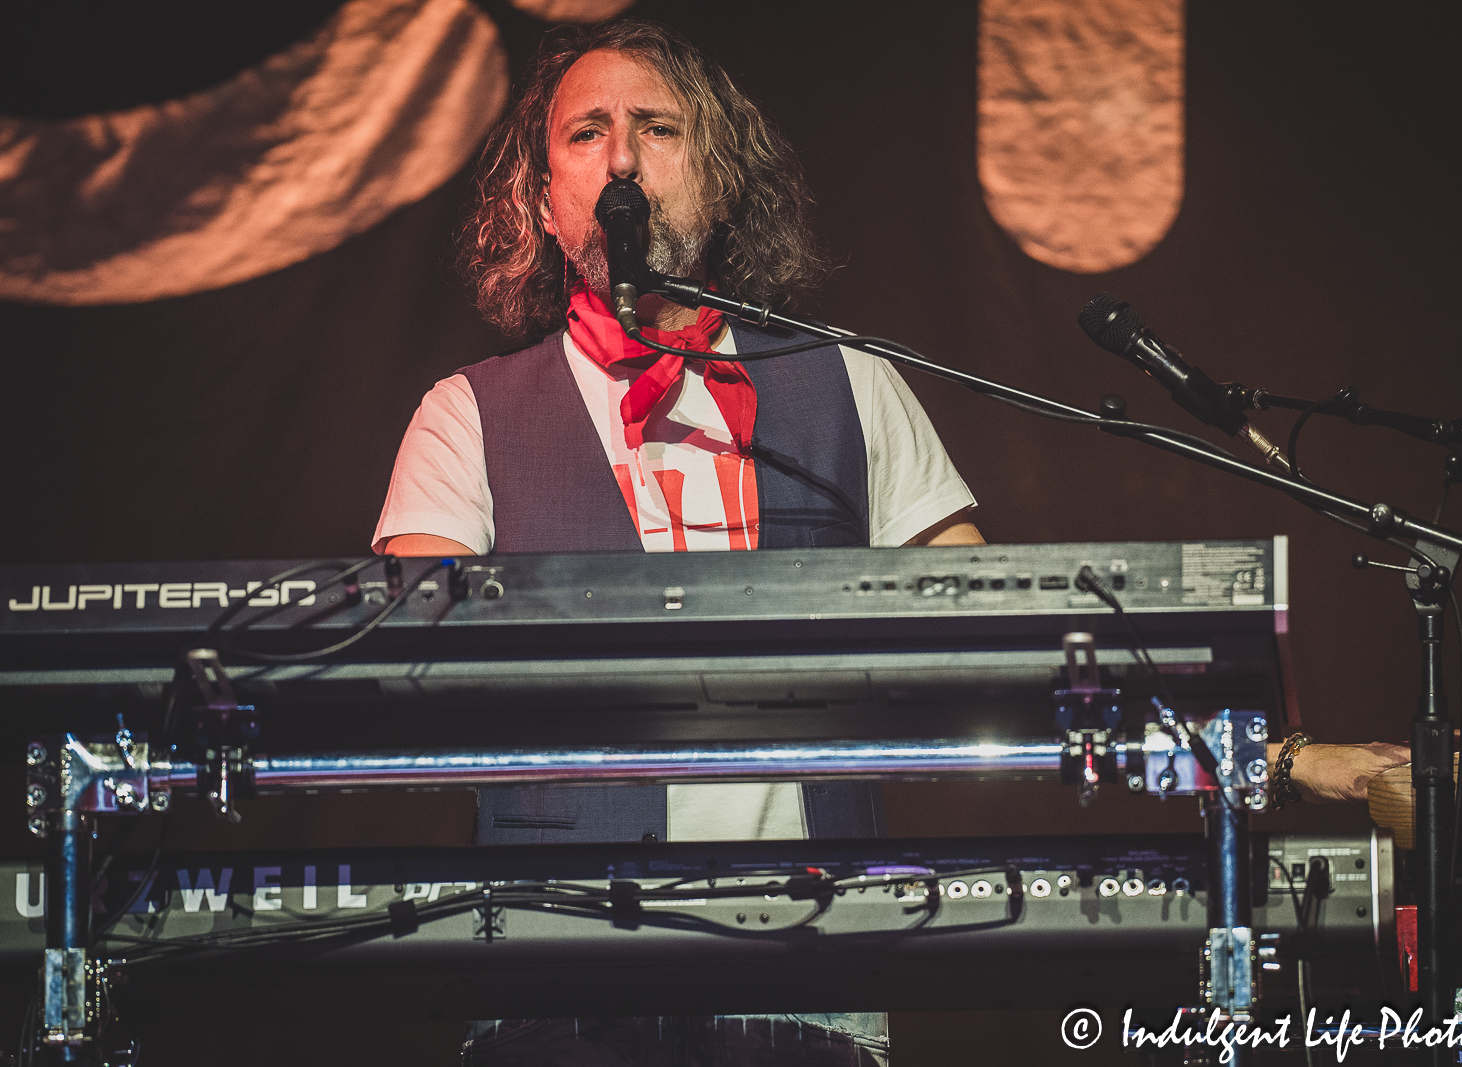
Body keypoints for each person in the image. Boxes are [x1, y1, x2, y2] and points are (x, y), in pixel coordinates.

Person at [374, 18, 1406, 1064]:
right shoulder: (466, 414)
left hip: (808, 983)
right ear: (546, 200)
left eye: (657, 127)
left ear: (720, 180)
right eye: (586, 132)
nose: (623, 158)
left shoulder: (849, 385)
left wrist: (1273, 754)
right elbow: (395, 679)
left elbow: (1034, 646)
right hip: (554, 979)